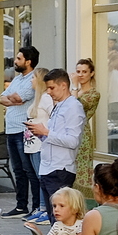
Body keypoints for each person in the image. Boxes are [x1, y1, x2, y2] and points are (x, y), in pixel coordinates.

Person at [26, 69, 86, 208]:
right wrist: (40, 134)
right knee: (53, 215)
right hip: (49, 167)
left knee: (59, 216)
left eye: (52, 88)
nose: (49, 92)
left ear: (63, 86)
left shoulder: (73, 107)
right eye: (47, 88)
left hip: (61, 168)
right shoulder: (59, 105)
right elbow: (55, 136)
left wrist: (46, 132)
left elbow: (73, 141)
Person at [0, 46, 42, 217]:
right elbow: (2, 98)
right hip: (10, 130)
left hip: (24, 130)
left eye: (18, 58)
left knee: (29, 170)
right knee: (17, 170)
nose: (15, 61)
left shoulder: (34, 79)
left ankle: (37, 206)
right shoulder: (17, 79)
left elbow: (18, 98)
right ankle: (20, 206)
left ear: (28, 61)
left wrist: (14, 99)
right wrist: (13, 99)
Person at [71, 58, 102, 196]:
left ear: (91, 73)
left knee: (82, 170)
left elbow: (75, 107)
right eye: (78, 71)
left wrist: (74, 88)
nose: (81, 75)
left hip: (83, 134)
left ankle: (83, 202)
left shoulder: (94, 94)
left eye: (84, 71)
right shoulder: (72, 90)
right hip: (68, 132)